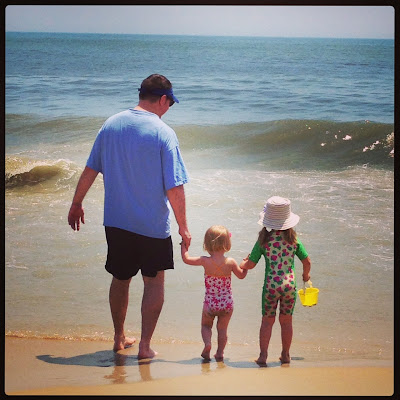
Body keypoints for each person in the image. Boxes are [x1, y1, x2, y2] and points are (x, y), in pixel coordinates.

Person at [67, 74, 191, 359]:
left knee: (120, 278)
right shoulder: (164, 133)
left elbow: (91, 168)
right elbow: (174, 187)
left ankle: (119, 337)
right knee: (154, 281)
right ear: (162, 99)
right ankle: (145, 346)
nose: (169, 108)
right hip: (151, 226)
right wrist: (184, 227)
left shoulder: (111, 124)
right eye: (170, 103)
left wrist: (76, 203)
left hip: (116, 222)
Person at [240, 196, 311, 366]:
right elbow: (307, 261)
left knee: (267, 321)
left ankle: (263, 356)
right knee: (286, 322)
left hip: (271, 286)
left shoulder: (264, 241)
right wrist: (305, 276)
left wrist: (242, 263)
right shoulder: (294, 240)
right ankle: (285, 355)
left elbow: (250, 264)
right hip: (289, 286)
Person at [181, 225, 247, 362]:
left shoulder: (205, 261)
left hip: (210, 303)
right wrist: (245, 265)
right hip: (227, 303)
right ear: (227, 243)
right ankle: (220, 353)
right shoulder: (230, 262)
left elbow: (186, 259)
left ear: (207, 243)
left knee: (206, 326)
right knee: (222, 330)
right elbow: (241, 275)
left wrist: (184, 245)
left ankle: (207, 344)